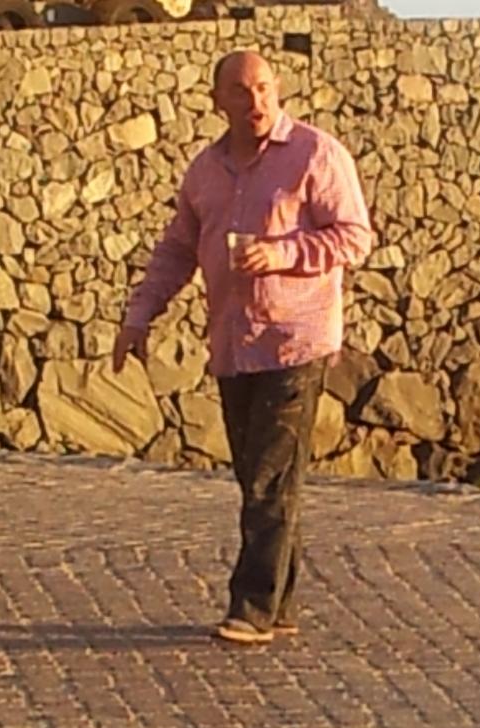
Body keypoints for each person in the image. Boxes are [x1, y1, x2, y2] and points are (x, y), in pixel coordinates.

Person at [113, 51, 373, 644]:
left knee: (268, 480)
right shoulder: (205, 171)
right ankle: (279, 604)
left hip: (296, 340)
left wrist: (282, 254)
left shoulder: (315, 153)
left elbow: (354, 236)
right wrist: (139, 317)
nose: (254, 101)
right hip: (233, 343)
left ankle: (251, 608)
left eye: (262, 88)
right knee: (261, 477)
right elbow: (177, 249)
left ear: (277, 91)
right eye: (240, 91)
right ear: (218, 102)